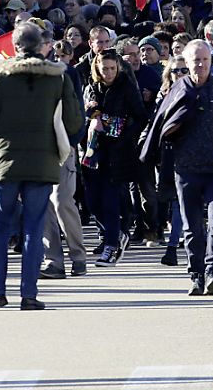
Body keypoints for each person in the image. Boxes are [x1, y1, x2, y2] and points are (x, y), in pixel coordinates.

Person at [0, 23, 83, 311]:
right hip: (43, 161)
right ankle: (29, 293)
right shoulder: (58, 78)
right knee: (35, 228)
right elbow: (73, 121)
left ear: (14, 45)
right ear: (42, 44)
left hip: (5, 162)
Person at [169, 39, 213, 295]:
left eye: (205, 60)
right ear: (186, 63)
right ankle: (196, 275)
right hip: (186, 168)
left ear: (212, 61)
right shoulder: (178, 90)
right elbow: (162, 125)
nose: (200, 64)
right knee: (191, 227)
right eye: (195, 60)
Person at [82, 50, 148, 267]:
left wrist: (120, 132)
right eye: (105, 69)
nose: (109, 73)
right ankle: (118, 232)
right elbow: (86, 111)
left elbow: (140, 117)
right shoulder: (92, 88)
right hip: (93, 150)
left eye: (112, 68)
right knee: (92, 201)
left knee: (110, 200)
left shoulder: (126, 87)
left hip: (118, 151)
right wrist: (92, 117)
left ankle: (111, 246)